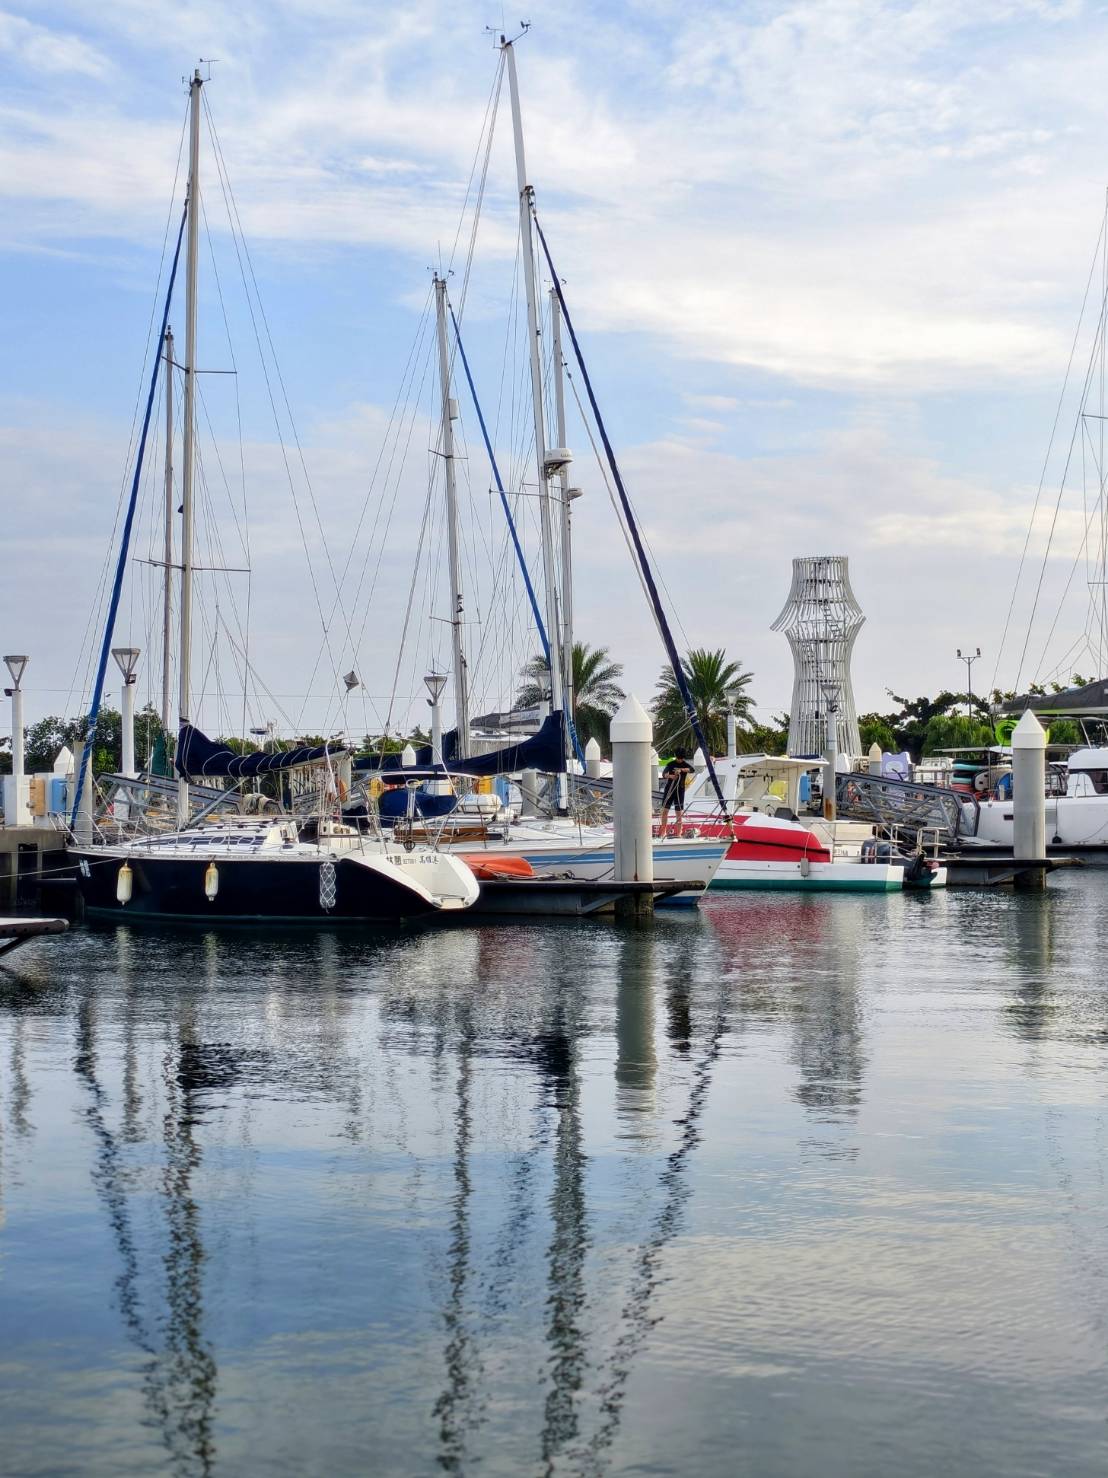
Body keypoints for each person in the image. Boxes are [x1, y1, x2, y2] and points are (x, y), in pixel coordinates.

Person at [657, 748, 694, 837]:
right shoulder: (670, 764)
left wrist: (682, 770)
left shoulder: (685, 764)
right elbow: (664, 774)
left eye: (681, 758)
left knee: (679, 812)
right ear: (676, 757)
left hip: (680, 790)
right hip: (670, 790)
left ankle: (679, 833)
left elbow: (692, 770)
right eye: (679, 758)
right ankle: (663, 832)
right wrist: (671, 776)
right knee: (665, 811)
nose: (680, 760)